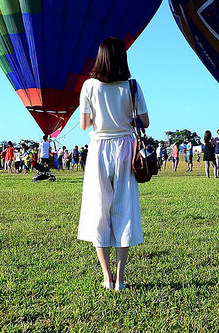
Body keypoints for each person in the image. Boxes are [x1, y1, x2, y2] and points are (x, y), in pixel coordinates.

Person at [77, 37, 148, 291]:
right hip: (125, 148)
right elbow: (145, 122)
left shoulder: (89, 86)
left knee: (99, 208)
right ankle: (120, 278)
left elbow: (85, 125)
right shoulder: (132, 86)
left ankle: (106, 276)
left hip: (98, 149)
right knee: (123, 208)